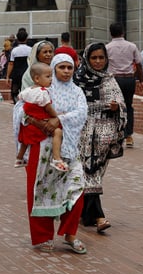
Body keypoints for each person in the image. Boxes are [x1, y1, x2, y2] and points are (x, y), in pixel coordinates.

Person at [13, 53, 88, 254]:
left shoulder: (77, 92)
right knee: (41, 191)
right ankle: (43, 237)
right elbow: (21, 110)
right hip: (41, 147)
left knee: (77, 188)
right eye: (61, 67)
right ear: (53, 69)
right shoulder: (42, 89)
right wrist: (40, 123)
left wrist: (58, 120)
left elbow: (82, 113)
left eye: (69, 67)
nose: (65, 71)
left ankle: (70, 233)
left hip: (68, 149)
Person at [74, 43, 126, 233]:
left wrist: (116, 107)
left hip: (104, 136)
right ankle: (99, 217)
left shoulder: (109, 80)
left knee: (93, 173)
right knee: (90, 173)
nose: (97, 61)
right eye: (94, 58)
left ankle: (84, 214)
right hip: (82, 134)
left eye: (101, 58)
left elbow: (121, 104)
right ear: (87, 58)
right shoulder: (77, 80)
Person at [16, 63, 67, 171]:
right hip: (41, 122)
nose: (51, 79)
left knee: (25, 141)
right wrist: (56, 116)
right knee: (58, 132)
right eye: (48, 77)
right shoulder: (43, 93)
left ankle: (19, 158)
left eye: (51, 76)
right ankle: (56, 158)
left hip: (28, 125)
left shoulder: (28, 90)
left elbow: (20, 98)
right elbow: (48, 108)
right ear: (37, 79)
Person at [106, 23, 141, 148]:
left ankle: (116, 135)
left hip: (114, 80)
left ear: (110, 33)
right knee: (128, 106)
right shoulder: (132, 46)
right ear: (123, 32)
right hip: (129, 79)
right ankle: (129, 135)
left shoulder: (107, 48)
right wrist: (140, 80)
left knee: (114, 107)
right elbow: (139, 63)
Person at [7, 29, 31, 101]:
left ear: (17, 39)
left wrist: (7, 76)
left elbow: (11, 64)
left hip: (16, 74)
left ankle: (17, 103)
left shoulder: (14, 50)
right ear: (26, 38)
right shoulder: (30, 49)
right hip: (27, 73)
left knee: (15, 91)